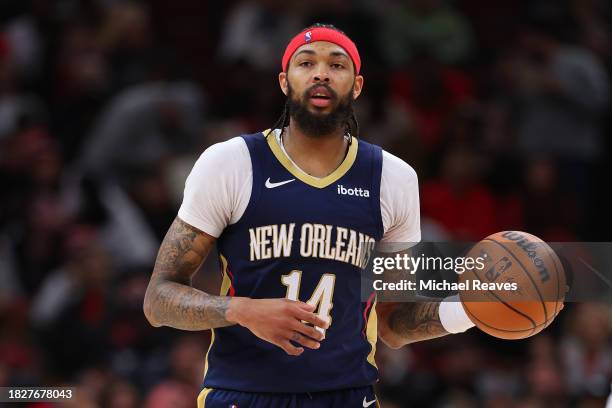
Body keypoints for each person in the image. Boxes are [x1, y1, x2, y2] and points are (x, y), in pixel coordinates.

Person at [143, 23, 474, 408]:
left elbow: (394, 323)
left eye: (337, 65)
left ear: (357, 86)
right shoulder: (231, 163)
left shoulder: (393, 178)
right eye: (306, 63)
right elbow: (157, 299)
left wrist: (469, 309)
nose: (321, 73)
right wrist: (243, 310)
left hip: (346, 397)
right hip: (243, 395)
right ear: (285, 81)